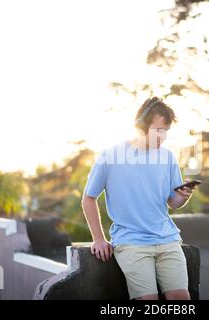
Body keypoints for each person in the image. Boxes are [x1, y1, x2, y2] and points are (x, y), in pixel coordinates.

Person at [81, 96, 197, 300]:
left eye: (166, 131)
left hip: (167, 239)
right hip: (131, 242)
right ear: (142, 126)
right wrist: (98, 239)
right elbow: (88, 198)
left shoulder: (167, 156)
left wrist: (183, 196)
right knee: (148, 300)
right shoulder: (110, 155)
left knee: (181, 298)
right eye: (159, 130)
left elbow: (173, 203)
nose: (164, 136)